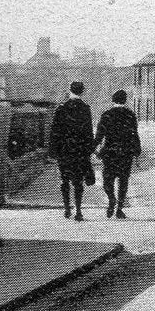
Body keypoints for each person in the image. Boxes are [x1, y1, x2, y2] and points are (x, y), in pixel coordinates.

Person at [50, 82, 94, 221]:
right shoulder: (85, 109)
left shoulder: (61, 108)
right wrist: (89, 149)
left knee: (64, 180)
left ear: (69, 91)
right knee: (78, 181)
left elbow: (55, 132)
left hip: (64, 150)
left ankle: (67, 208)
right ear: (83, 91)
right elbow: (88, 132)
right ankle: (79, 211)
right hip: (79, 151)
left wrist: (53, 150)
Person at [94, 90, 141, 219]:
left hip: (110, 152)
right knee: (123, 181)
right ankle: (119, 208)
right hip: (126, 153)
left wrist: (93, 147)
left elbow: (99, 136)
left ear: (113, 100)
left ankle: (111, 200)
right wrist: (137, 150)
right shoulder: (130, 115)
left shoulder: (107, 115)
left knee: (107, 181)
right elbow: (134, 134)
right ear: (125, 100)